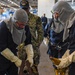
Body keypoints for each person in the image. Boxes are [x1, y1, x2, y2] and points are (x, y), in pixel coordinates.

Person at [0, 8, 34, 75]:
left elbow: (28, 43)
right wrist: (15, 60)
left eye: (24, 24)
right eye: (21, 24)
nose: (23, 27)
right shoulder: (4, 26)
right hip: (2, 56)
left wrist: (30, 56)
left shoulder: (25, 26)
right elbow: (2, 47)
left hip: (13, 53)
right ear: (15, 21)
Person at [51, 1, 75, 75]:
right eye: (54, 13)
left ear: (63, 11)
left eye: (57, 13)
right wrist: (65, 56)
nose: (56, 16)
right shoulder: (70, 22)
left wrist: (66, 60)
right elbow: (72, 44)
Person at [20, 0, 43, 75]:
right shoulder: (17, 18)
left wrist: (37, 44)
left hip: (33, 48)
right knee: (22, 70)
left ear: (29, 8)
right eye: (23, 9)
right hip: (21, 49)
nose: (25, 11)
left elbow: (41, 32)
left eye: (26, 9)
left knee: (34, 70)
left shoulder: (36, 18)